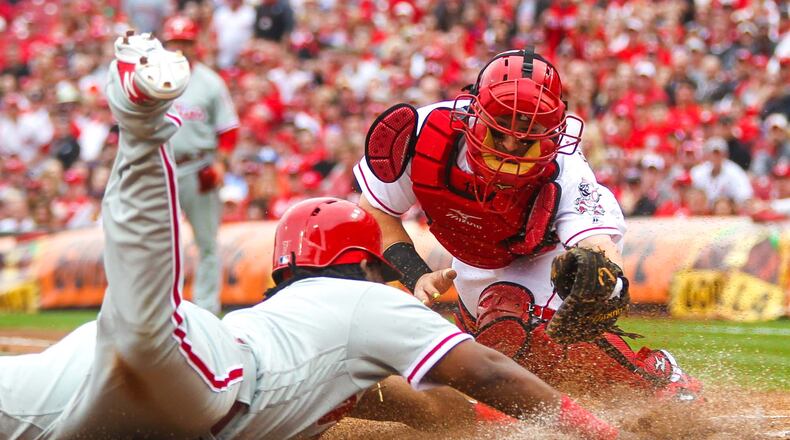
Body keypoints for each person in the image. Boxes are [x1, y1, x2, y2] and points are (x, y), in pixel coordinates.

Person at [0, 33, 623, 440]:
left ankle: (137, 125)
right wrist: (594, 431)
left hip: (101, 374)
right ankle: (139, 124)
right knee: (144, 310)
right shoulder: (367, 307)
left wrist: (596, 274)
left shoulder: (282, 313)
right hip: (200, 387)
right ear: (365, 263)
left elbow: (419, 405)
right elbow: (481, 376)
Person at [355, 47, 702, 400]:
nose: (510, 145)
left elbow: (597, 244)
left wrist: (602, 276)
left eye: (526, 132)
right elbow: (375, 211)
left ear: (550, 132)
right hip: (474, 264)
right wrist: (416, 273)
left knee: (513, 322)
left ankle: (657, 380)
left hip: (542, 257)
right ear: (475, 113)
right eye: (502, 125)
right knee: (488, 367)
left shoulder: (564, 166)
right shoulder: (423, 135)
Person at [162, 15, 241, 315]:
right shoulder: (154, 81)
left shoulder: (210, 82)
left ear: (196, 45)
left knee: (206, 242)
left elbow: (228, 130)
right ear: (166, 44)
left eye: (186, 42)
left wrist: (220, 163)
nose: (180, 48)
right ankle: (166, 308)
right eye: (175, 42)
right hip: (163, 168)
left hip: (198, 167)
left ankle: (207, 309)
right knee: (162, 242)